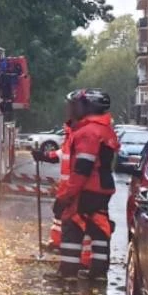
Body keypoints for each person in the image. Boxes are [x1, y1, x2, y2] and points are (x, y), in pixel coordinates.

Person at [44, 89, 118, 282]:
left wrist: (65, 197)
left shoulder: (88, 133)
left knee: (71, 225)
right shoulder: (104, 129)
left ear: (87, 107)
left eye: (75, 106)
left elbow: (82, 170)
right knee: (99, 229)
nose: (71, 110)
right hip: (102, 188)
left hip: (87, 189)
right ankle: (98, 272)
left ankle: (67, 273)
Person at [33, 115, 74, 252]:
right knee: (59, 212)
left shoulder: (76, 141)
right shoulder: (70, 142)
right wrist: (43, 155)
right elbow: (59, 155)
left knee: (68, 216)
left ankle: (66, 245)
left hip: (74, 188)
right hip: (67, 187)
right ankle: (57, 242)